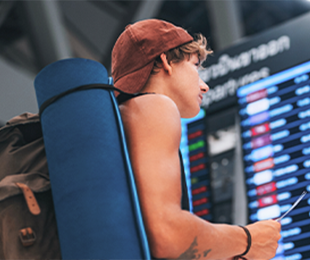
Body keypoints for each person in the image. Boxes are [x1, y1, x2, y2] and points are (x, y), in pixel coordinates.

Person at [112, 19, 281, 260]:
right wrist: (248, 240)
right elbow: (167, 237)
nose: (204, 86)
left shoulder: (119, 121)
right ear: (165, 62)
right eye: (195, 66)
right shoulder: (155, 107)